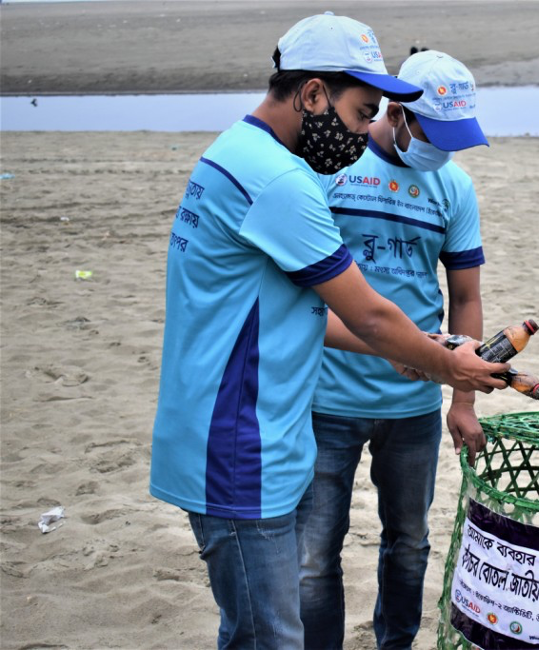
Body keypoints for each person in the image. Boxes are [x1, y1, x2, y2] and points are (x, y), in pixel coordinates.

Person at [149, 15, 507, 649]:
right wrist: (448, 365)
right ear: (313, 94)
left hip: (244, 436)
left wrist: (424, 354)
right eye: (362, 110)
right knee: (273, 637)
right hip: (238, 445)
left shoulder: (235, 151)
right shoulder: (284, 180)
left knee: (261, 628)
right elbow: (368, 312)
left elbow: (309, 313)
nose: (363, 130)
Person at [297, 50, 490, 650]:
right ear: (399, 113)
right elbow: (296, 288)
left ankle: (396, 644)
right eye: (436, 132)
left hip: (412, 402)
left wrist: (462, 400)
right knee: (312, 554)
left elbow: (464, 296)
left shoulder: (453, 186)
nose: (445, 149)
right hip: (324, 396)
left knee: (408, 544)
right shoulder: (330, 168)